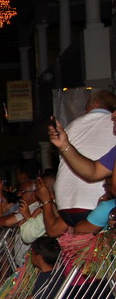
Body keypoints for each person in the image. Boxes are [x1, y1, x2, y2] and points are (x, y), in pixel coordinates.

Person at [50, 90, 116, 225]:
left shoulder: (74, 124)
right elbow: (93, 172)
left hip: (77, 208)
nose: (113, 116)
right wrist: (64, 146)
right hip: (91, 208)